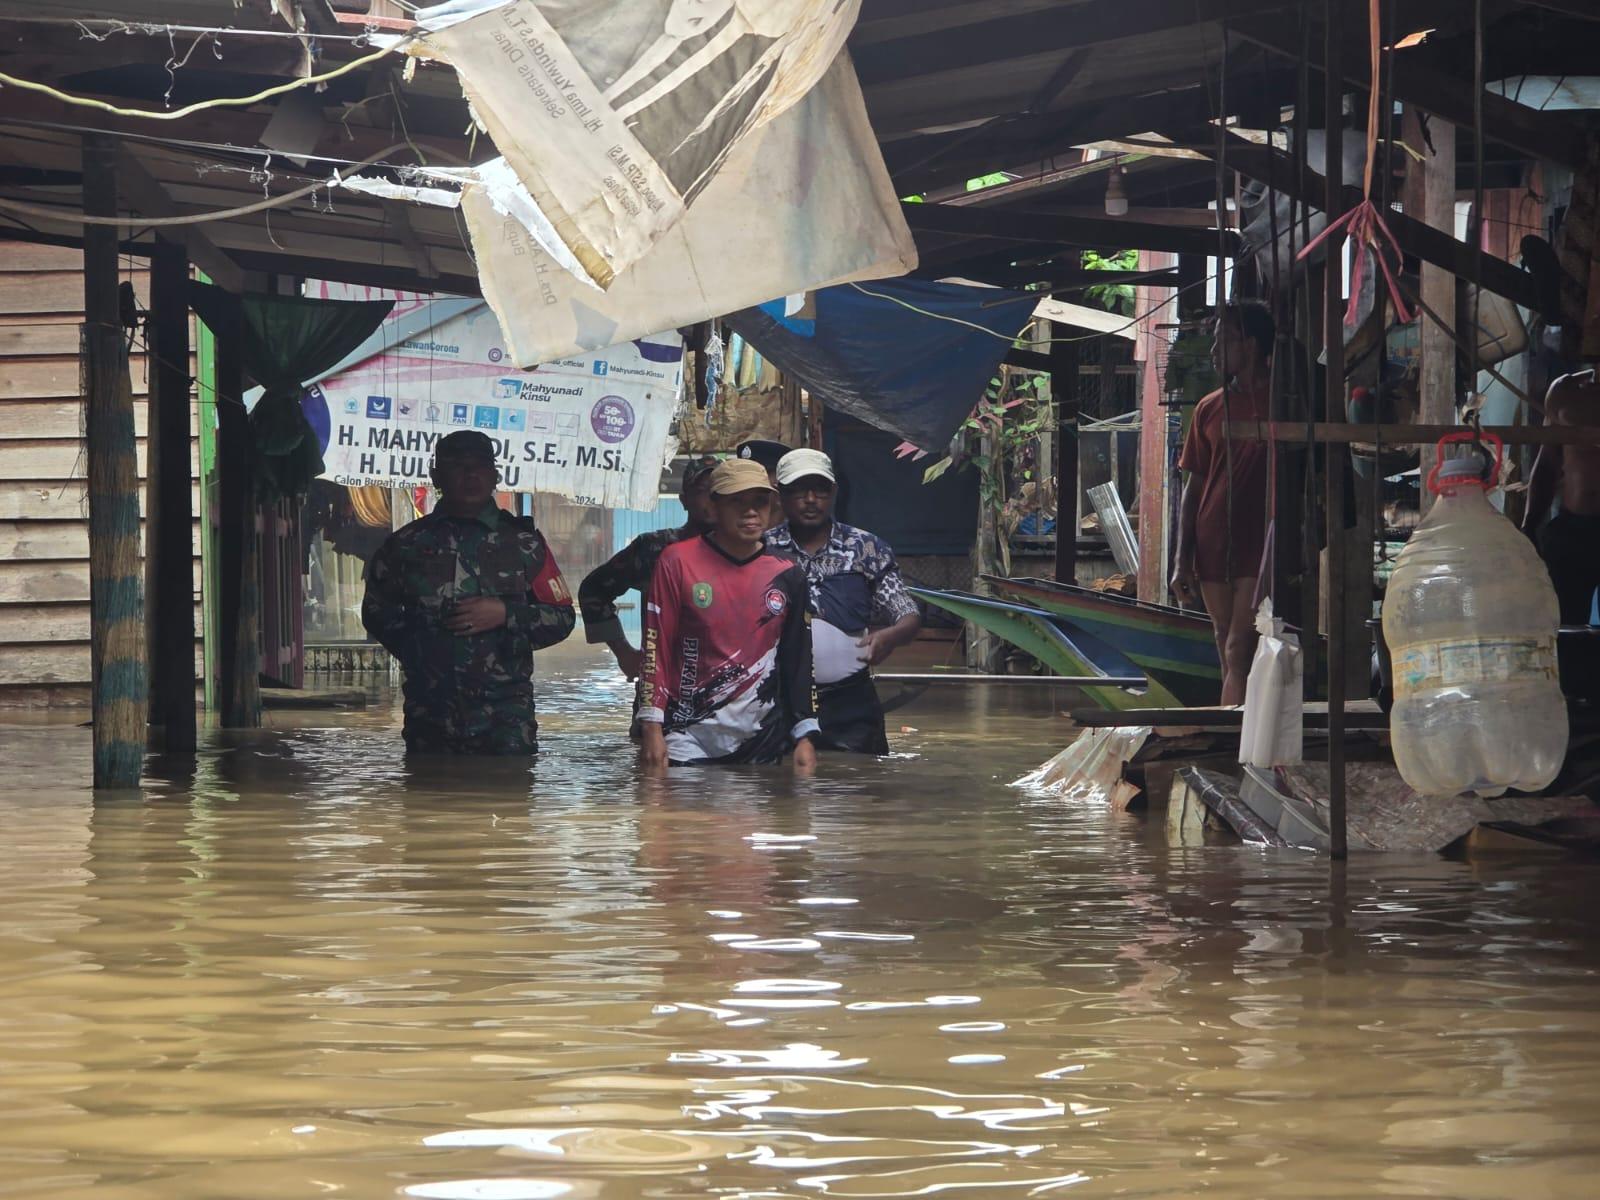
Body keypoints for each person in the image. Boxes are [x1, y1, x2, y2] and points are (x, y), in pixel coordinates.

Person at [362, 430, 575, 754]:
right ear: (436, 476)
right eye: (458, 466)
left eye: (480, 465)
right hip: (429, 720)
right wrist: (421, 652)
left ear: (495, 475)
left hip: (505, 723)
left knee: (510, 789)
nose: (471, 474)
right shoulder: (406, 545)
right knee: (427, 788)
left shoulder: (524, 544)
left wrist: (506, 614)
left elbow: (563, 618)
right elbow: (376, 612)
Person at [638, 458, 818, 770]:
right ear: (714, 506)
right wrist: (651, 726)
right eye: (738, 502)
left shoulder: (788, 572)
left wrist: (804, 735)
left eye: (760, 502)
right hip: (687, 734)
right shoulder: (676, 561)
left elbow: (798, 658)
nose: (751, 512)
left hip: (761, 737)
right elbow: (656, 648)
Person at [765, 448, 922, 754]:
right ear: (779, 495)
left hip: (851, 706)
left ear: (834, 492)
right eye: (799, 490)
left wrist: (891, 636)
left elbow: (907, 613)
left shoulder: (866, 548)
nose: (811, 499)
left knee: (860, 780)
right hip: (780, 701)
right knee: (781, 780)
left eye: (820, 489)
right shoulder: (763, 549)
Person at [1170, 301, 1275, 706]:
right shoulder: (1208, 408)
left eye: (1222, 341)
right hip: (1213, 539)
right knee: (1223, 642)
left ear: (1250, 345)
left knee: (1238, 647)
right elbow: (1193, 486)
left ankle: (1237, 731)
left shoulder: (1281, 401)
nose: (1214, 352)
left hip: (1259, 541)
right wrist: (1182, 558)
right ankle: (1235, 723)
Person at [579, 455, 719, 728]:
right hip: (660, 699)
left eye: (719, 491)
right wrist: (623, 652)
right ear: (684, 499)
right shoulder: (654, 548)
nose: (712, 500)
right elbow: (592, 590)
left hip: (726, 695)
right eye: (703, 491)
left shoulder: (747, 553)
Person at [1523, 367, 1600, 625]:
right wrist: (1530, 524)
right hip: (1574, 529)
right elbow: (1548, 463)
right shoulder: (1566, 391)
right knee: (1563, 625)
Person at [736, 437, 790, 527]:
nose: (749, 482)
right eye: (744, 475)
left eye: (762, 473)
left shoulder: (801, 532)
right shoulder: (731, 530)